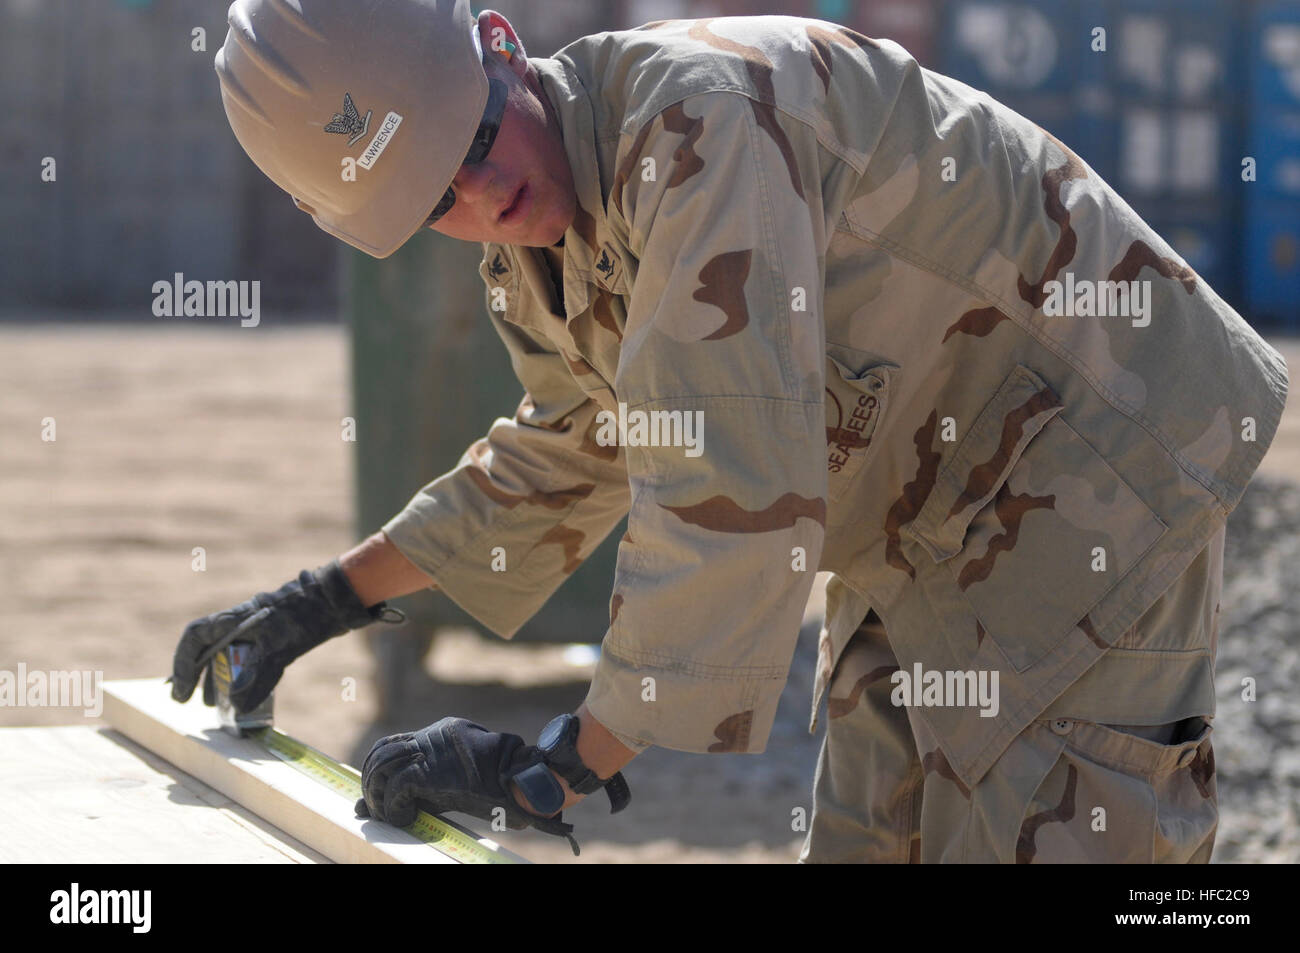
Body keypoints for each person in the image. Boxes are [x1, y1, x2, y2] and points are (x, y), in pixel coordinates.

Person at [172, 0, 1289, 862]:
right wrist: (330, 594)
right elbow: (571, 445)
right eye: (433, 204)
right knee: (875, 836)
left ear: (503, 45)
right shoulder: (541, 251)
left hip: (1101, 441)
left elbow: (732, 500)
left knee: (1062, 835)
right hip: (931, 503)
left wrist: (559, 765)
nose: (482, 196)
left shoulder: (698, 129)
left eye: (474, 140)